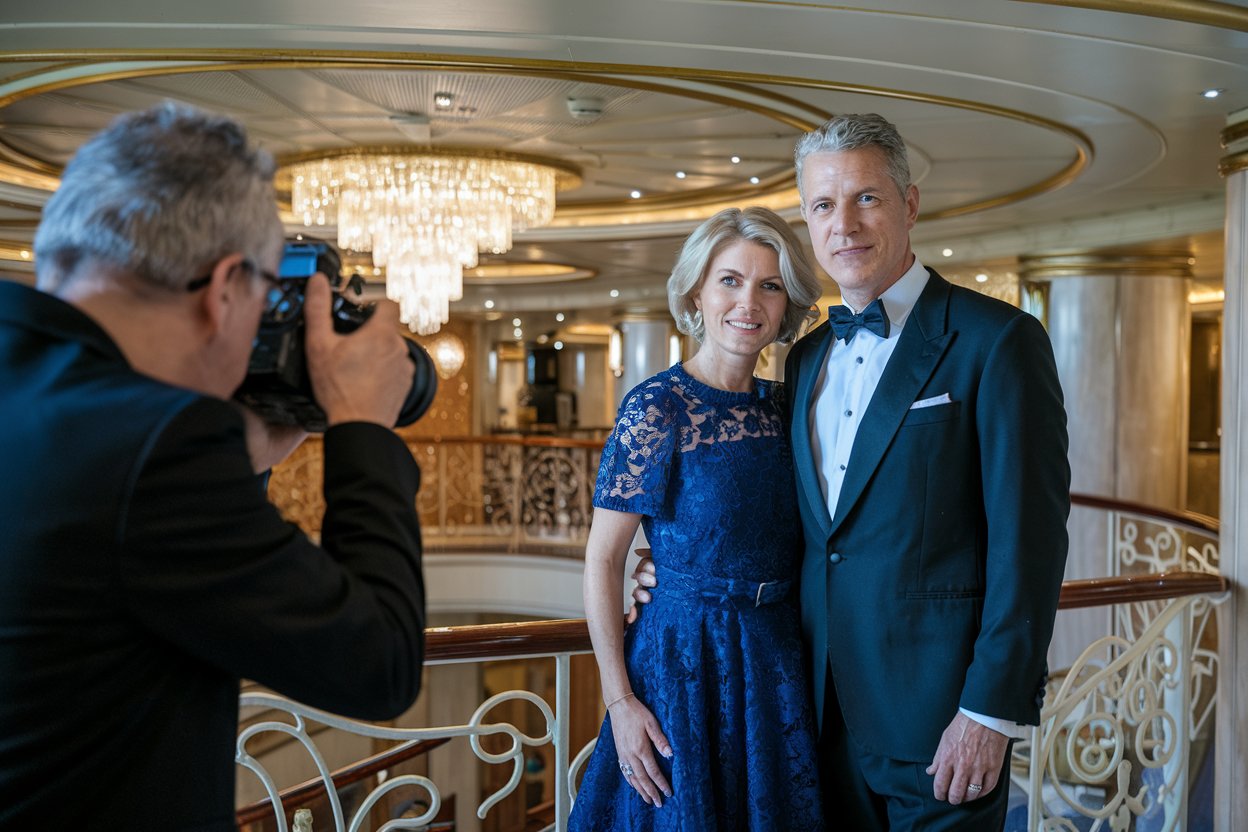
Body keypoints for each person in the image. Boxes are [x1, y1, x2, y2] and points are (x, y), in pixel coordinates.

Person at [634, 113, 1071, 830]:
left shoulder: (999, 341)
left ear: (909, 204)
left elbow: (1029, 543)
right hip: (810, 711)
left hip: (940, 722)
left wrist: (989, 710)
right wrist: (664, 567)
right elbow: (797, 526)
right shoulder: (803, 360)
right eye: (823, 205)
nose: (845, 224)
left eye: (866, 197)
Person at [0, 103, 426, 828]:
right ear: (228, 285)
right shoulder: (156, 443)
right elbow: (377, 663)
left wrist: (248, 462)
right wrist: (362, 428)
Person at [569, 207, 825, 830]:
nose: (749, 302)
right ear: (696, 292)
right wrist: (619, 699)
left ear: (786, 302)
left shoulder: (788, 406)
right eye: (730, 280)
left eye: (769, 285)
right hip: (682, 660)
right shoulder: (656, 407)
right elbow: (604, 558)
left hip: (777, 654)